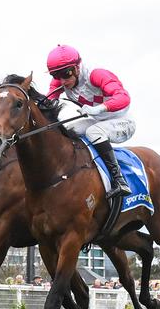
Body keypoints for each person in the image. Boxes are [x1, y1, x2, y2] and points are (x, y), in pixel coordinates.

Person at [46, 44, 135, 199]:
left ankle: (119, 180)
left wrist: (100, 108)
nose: (62, 81)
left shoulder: (96, 74)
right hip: (97, 121)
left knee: (93, 132)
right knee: (67, 129)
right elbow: (47, 102)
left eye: (66, 74)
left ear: (76, 68)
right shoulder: (60, 82)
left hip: (121, 120)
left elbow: (124, 98)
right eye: (56, 75)